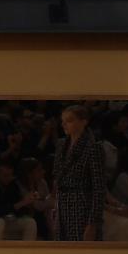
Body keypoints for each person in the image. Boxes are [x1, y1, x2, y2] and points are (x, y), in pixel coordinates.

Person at [52, 104, 110, 243]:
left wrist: (93, 223)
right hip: (63, 206)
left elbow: (98, 189)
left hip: (82, 207)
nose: (64, 124)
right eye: (63, 121)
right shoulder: (61, 146)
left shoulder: (93, 148)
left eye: (69, 120)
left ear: (83, 121)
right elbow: (57, 176)